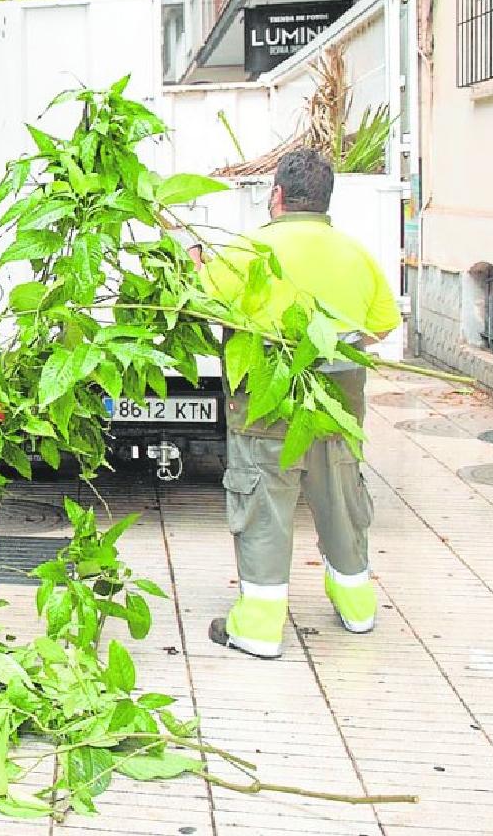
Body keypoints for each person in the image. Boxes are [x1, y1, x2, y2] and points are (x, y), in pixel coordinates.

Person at [189, 149, 401, 659]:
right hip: (334, 409)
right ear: (326, 200)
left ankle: (259, 627)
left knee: (264, 507)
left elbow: (200, 304)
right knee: (342, 505)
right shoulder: (356, 255)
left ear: (277, 196)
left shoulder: (250, 251)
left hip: (265, 407)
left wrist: (195, 265)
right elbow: (382, 323)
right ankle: (357, 608)